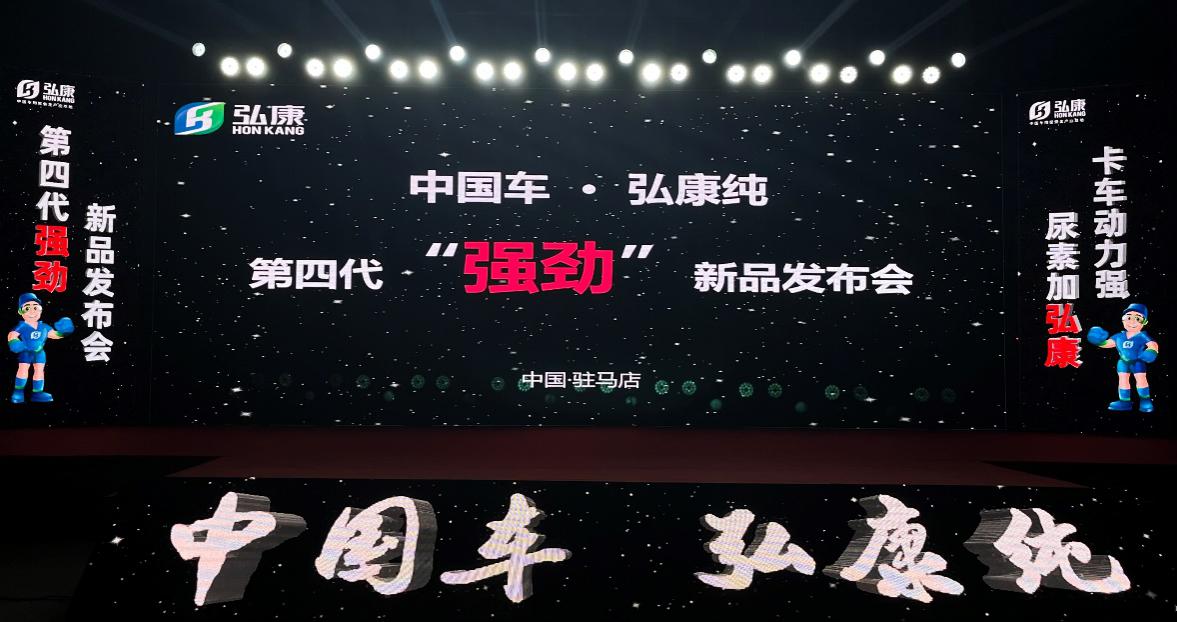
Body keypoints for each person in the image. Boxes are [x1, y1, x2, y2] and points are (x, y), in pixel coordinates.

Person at [1087, 303, 1159, 413]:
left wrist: (1151, 351)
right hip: (1123, 362)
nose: (1132, 322)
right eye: (1128, 317)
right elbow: (1109, 343)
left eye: (1137, 318)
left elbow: (1152, 344)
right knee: (1123, 380)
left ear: (1144, 322)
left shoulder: (1142, 336)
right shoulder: (1119, 336)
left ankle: (1145, 400)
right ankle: (1124, 401)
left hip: (1137, 361)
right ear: (1123, 320)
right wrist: (1098, 341)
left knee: (1141, 379)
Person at [7, 293, 74, 403]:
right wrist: (15, 343)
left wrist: (63, 332)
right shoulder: (22, 326)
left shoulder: (44, 326)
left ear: (40, 310)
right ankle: (18, 391)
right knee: (23, 369)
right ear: (20, 311)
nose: (32, 311)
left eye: (35, 307)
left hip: (40, 353)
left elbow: (53, 335)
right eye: (27, 308)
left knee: (39, 371)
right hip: (26, 351)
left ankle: (37, 393)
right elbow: (12, 334)